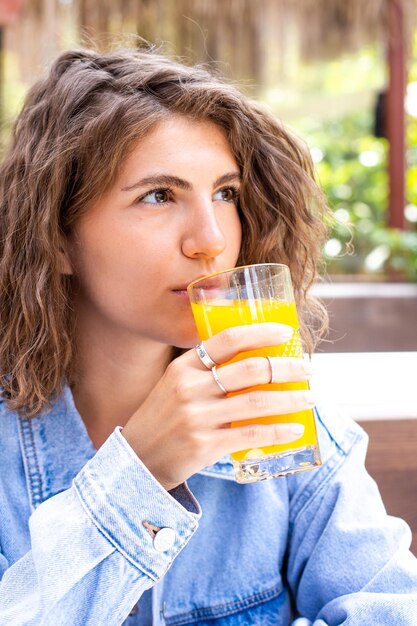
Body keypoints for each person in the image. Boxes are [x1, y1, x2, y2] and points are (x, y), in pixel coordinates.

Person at [0, 46, 416, 626]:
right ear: (58, 237)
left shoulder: (292, 433)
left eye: (225, 193)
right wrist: (137, 476)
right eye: (158, 195)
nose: (211, 239)